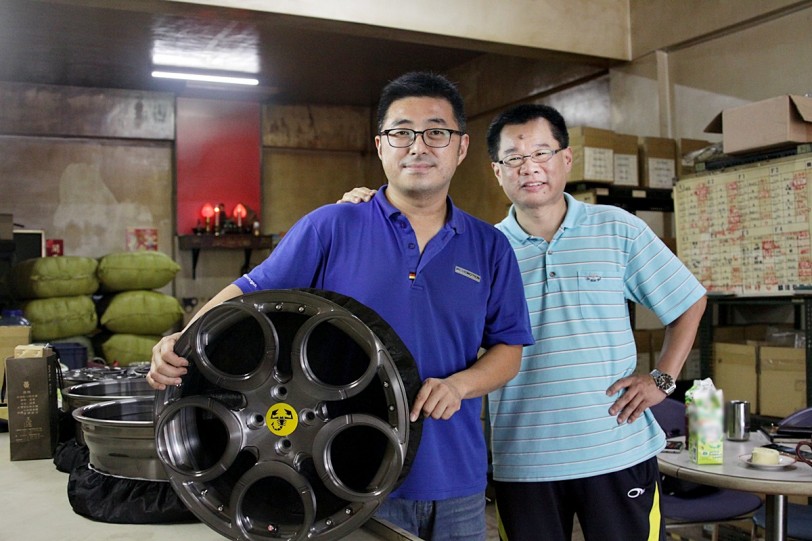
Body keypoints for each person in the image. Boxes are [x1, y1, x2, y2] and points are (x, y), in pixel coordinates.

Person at [147, 71, 534, 541]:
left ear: (461, 147)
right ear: (380, 145)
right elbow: (249, 290)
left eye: (436, 132)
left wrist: (460, 385)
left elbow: (509, 350)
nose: (418, 146)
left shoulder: (490, 247)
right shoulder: (331, 226)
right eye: (402, 133)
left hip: (457, 480)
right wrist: (182, 340)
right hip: (349, 485)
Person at [341, 102, 708, 541]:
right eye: (513, 158)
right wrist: (368, 212)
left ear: (566, 159)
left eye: (541, 153)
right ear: (497, 172)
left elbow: (688, 302)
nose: (529, 168)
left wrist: (662, 379)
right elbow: (417, 298)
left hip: (616, 449)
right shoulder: (482, 248)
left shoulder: (617, 229)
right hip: (523, 460)